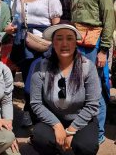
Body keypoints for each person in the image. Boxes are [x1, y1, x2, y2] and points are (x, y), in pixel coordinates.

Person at [7, 0, 62, 126]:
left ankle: (35, 115)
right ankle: (31, 115)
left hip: (43, 45)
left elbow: (56, 24)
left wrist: (55, 47)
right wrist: (11, 27)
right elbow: (16, 18)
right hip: (23, 43)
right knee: (27, 80)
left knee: (34, 84)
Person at [30, 23, 100, 155]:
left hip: (81, 119)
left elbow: (92, 105)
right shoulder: (41, 67)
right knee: (41, 138)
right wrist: (56, 125)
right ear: (53, 42)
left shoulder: (87, 67)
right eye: (59, 38)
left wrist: (71, 130)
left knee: (87, 146)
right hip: (52, 118)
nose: (64, 43)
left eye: (69, 38)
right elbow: (36, 103)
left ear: (76, 43)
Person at [70, 0, 115, 144]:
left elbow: (109, 20)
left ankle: (98, 133)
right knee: (80, 88)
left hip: (95, 44)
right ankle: (83, 128)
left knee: (96, 88)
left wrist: (104, 50)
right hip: (76, 44)